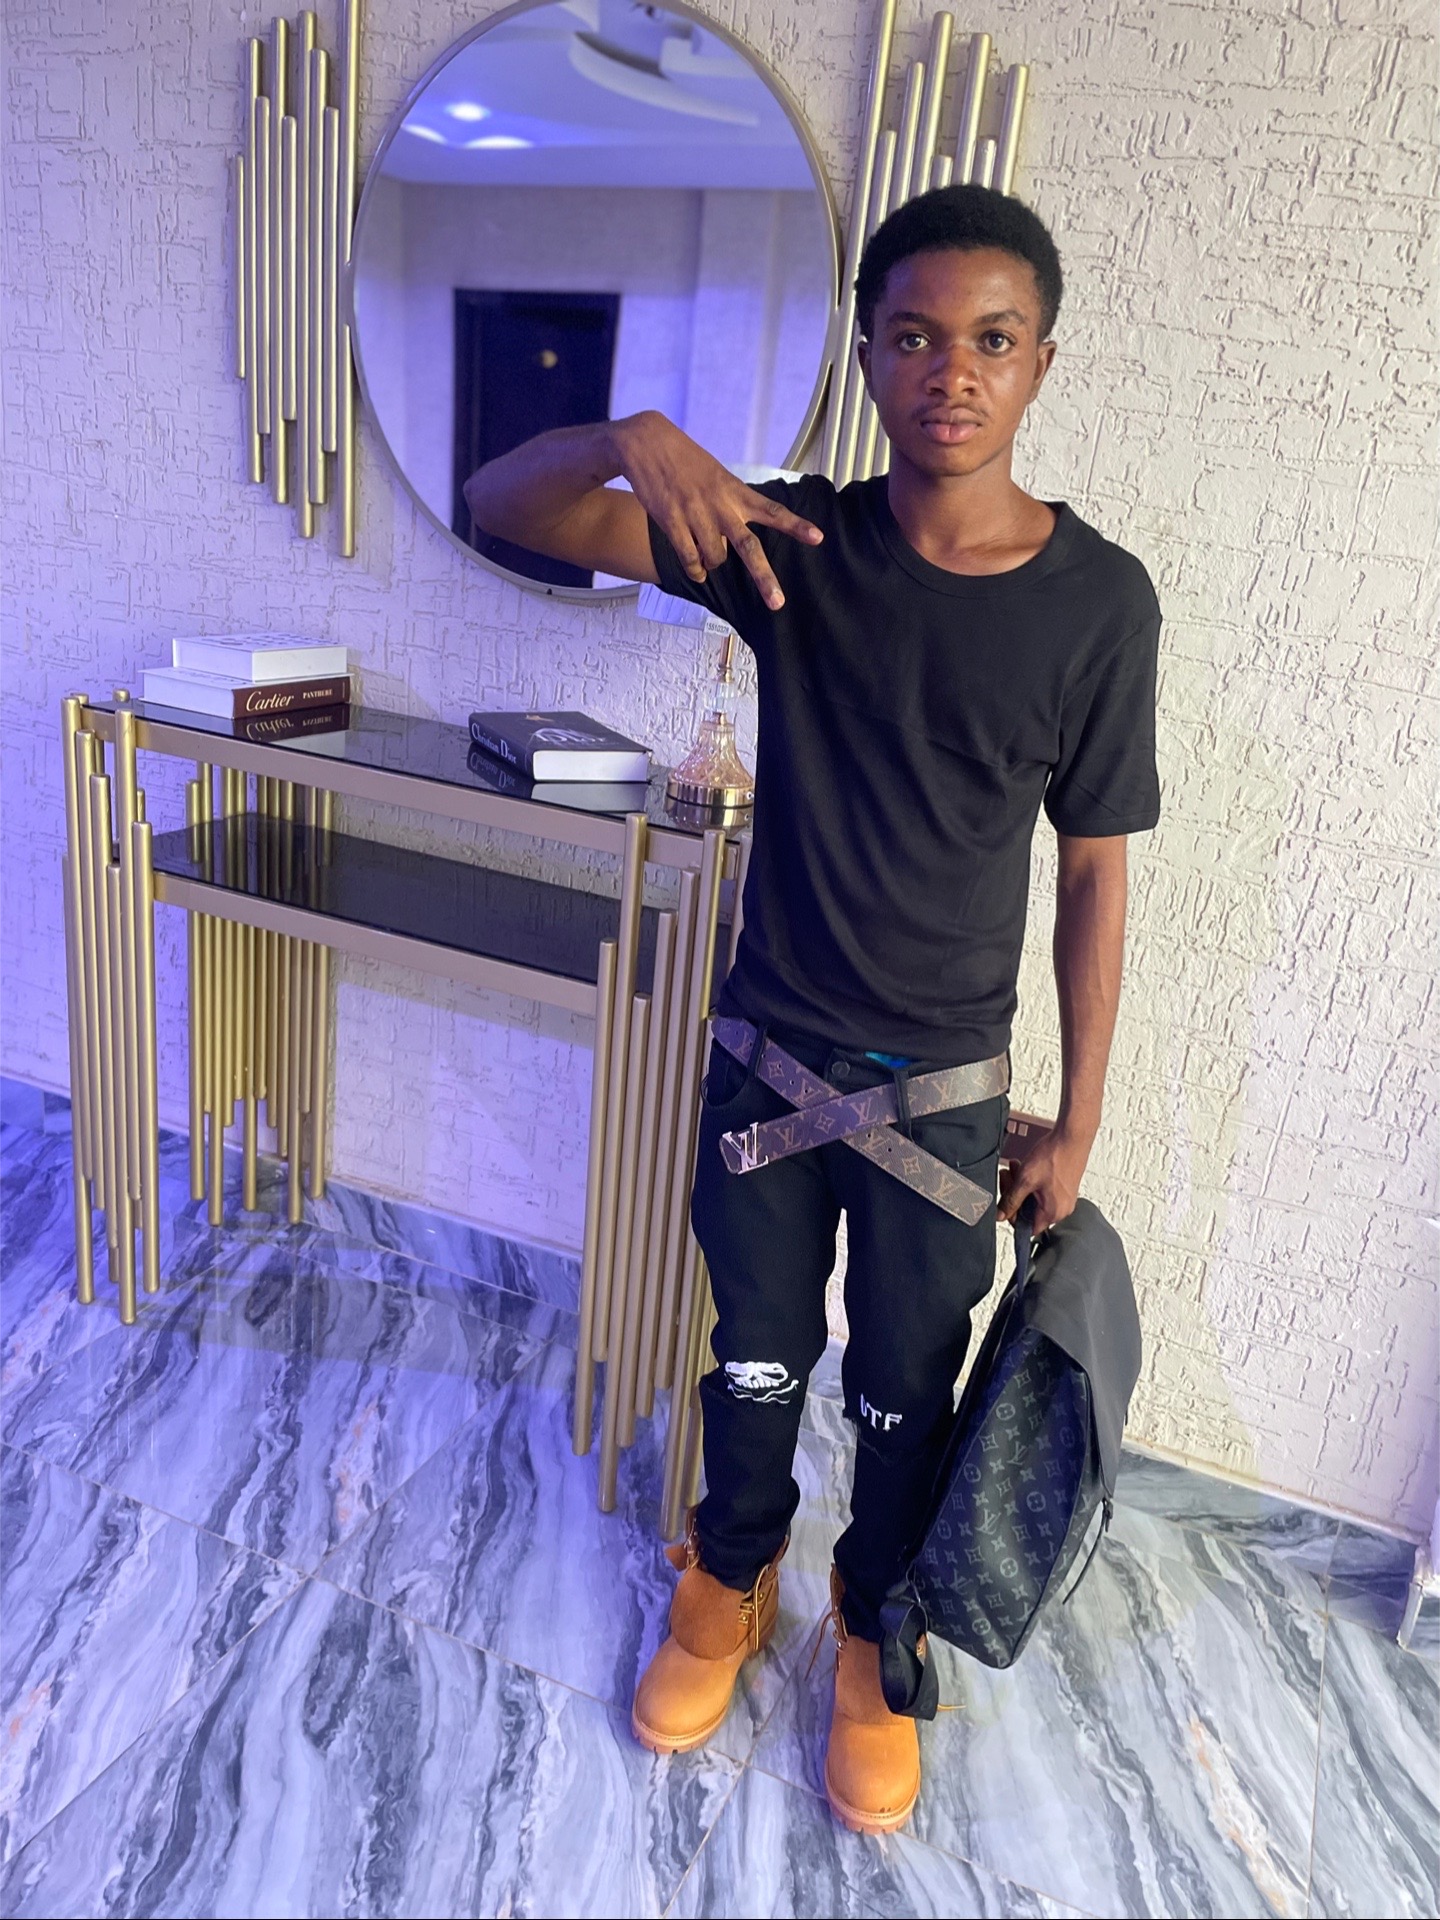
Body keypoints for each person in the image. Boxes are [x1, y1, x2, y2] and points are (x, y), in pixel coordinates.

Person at [464, 183, 1161, 1835]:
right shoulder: (791, 551)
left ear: (1040, 362)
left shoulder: (1099, 605)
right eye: (914, 335)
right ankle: (729, 1574)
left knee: (904, 1394)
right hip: (764, 1063)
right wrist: (633, 437)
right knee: (759, 1362)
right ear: (868, 355)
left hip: (946, 1102)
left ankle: (873, 1626)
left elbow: (1094, 877)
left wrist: (1079, 1119)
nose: (951, 371)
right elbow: (504, 502)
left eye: (990, 339)